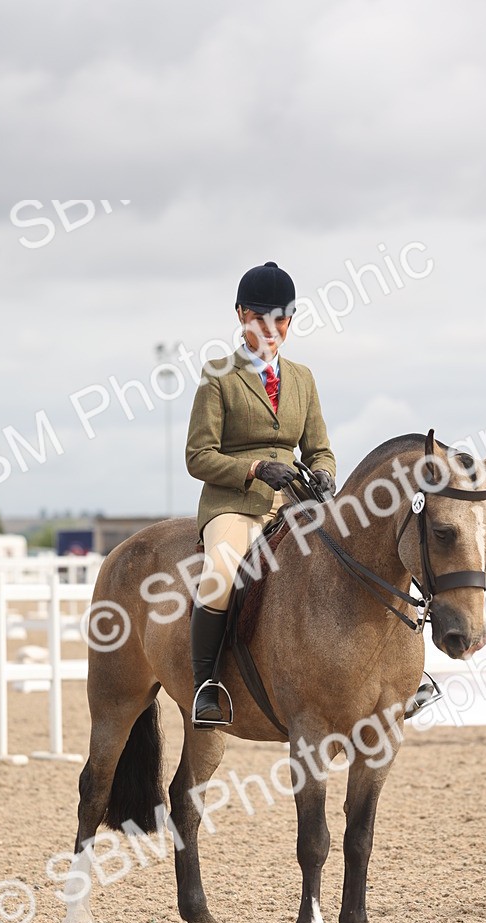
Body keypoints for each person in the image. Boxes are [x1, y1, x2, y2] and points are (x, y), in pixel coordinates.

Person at [185, 260, 336, 727]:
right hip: (234, 505)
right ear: (240, 315)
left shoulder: (303, 378)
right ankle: (206, 685)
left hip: (294, 503)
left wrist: (324, 473)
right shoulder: (218, 376)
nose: (271, 328)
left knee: (352, 559)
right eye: (260, 318)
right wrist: (253, 469)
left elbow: (320, 449)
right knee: (220, 574)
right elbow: (198, 456)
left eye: (281, 319)